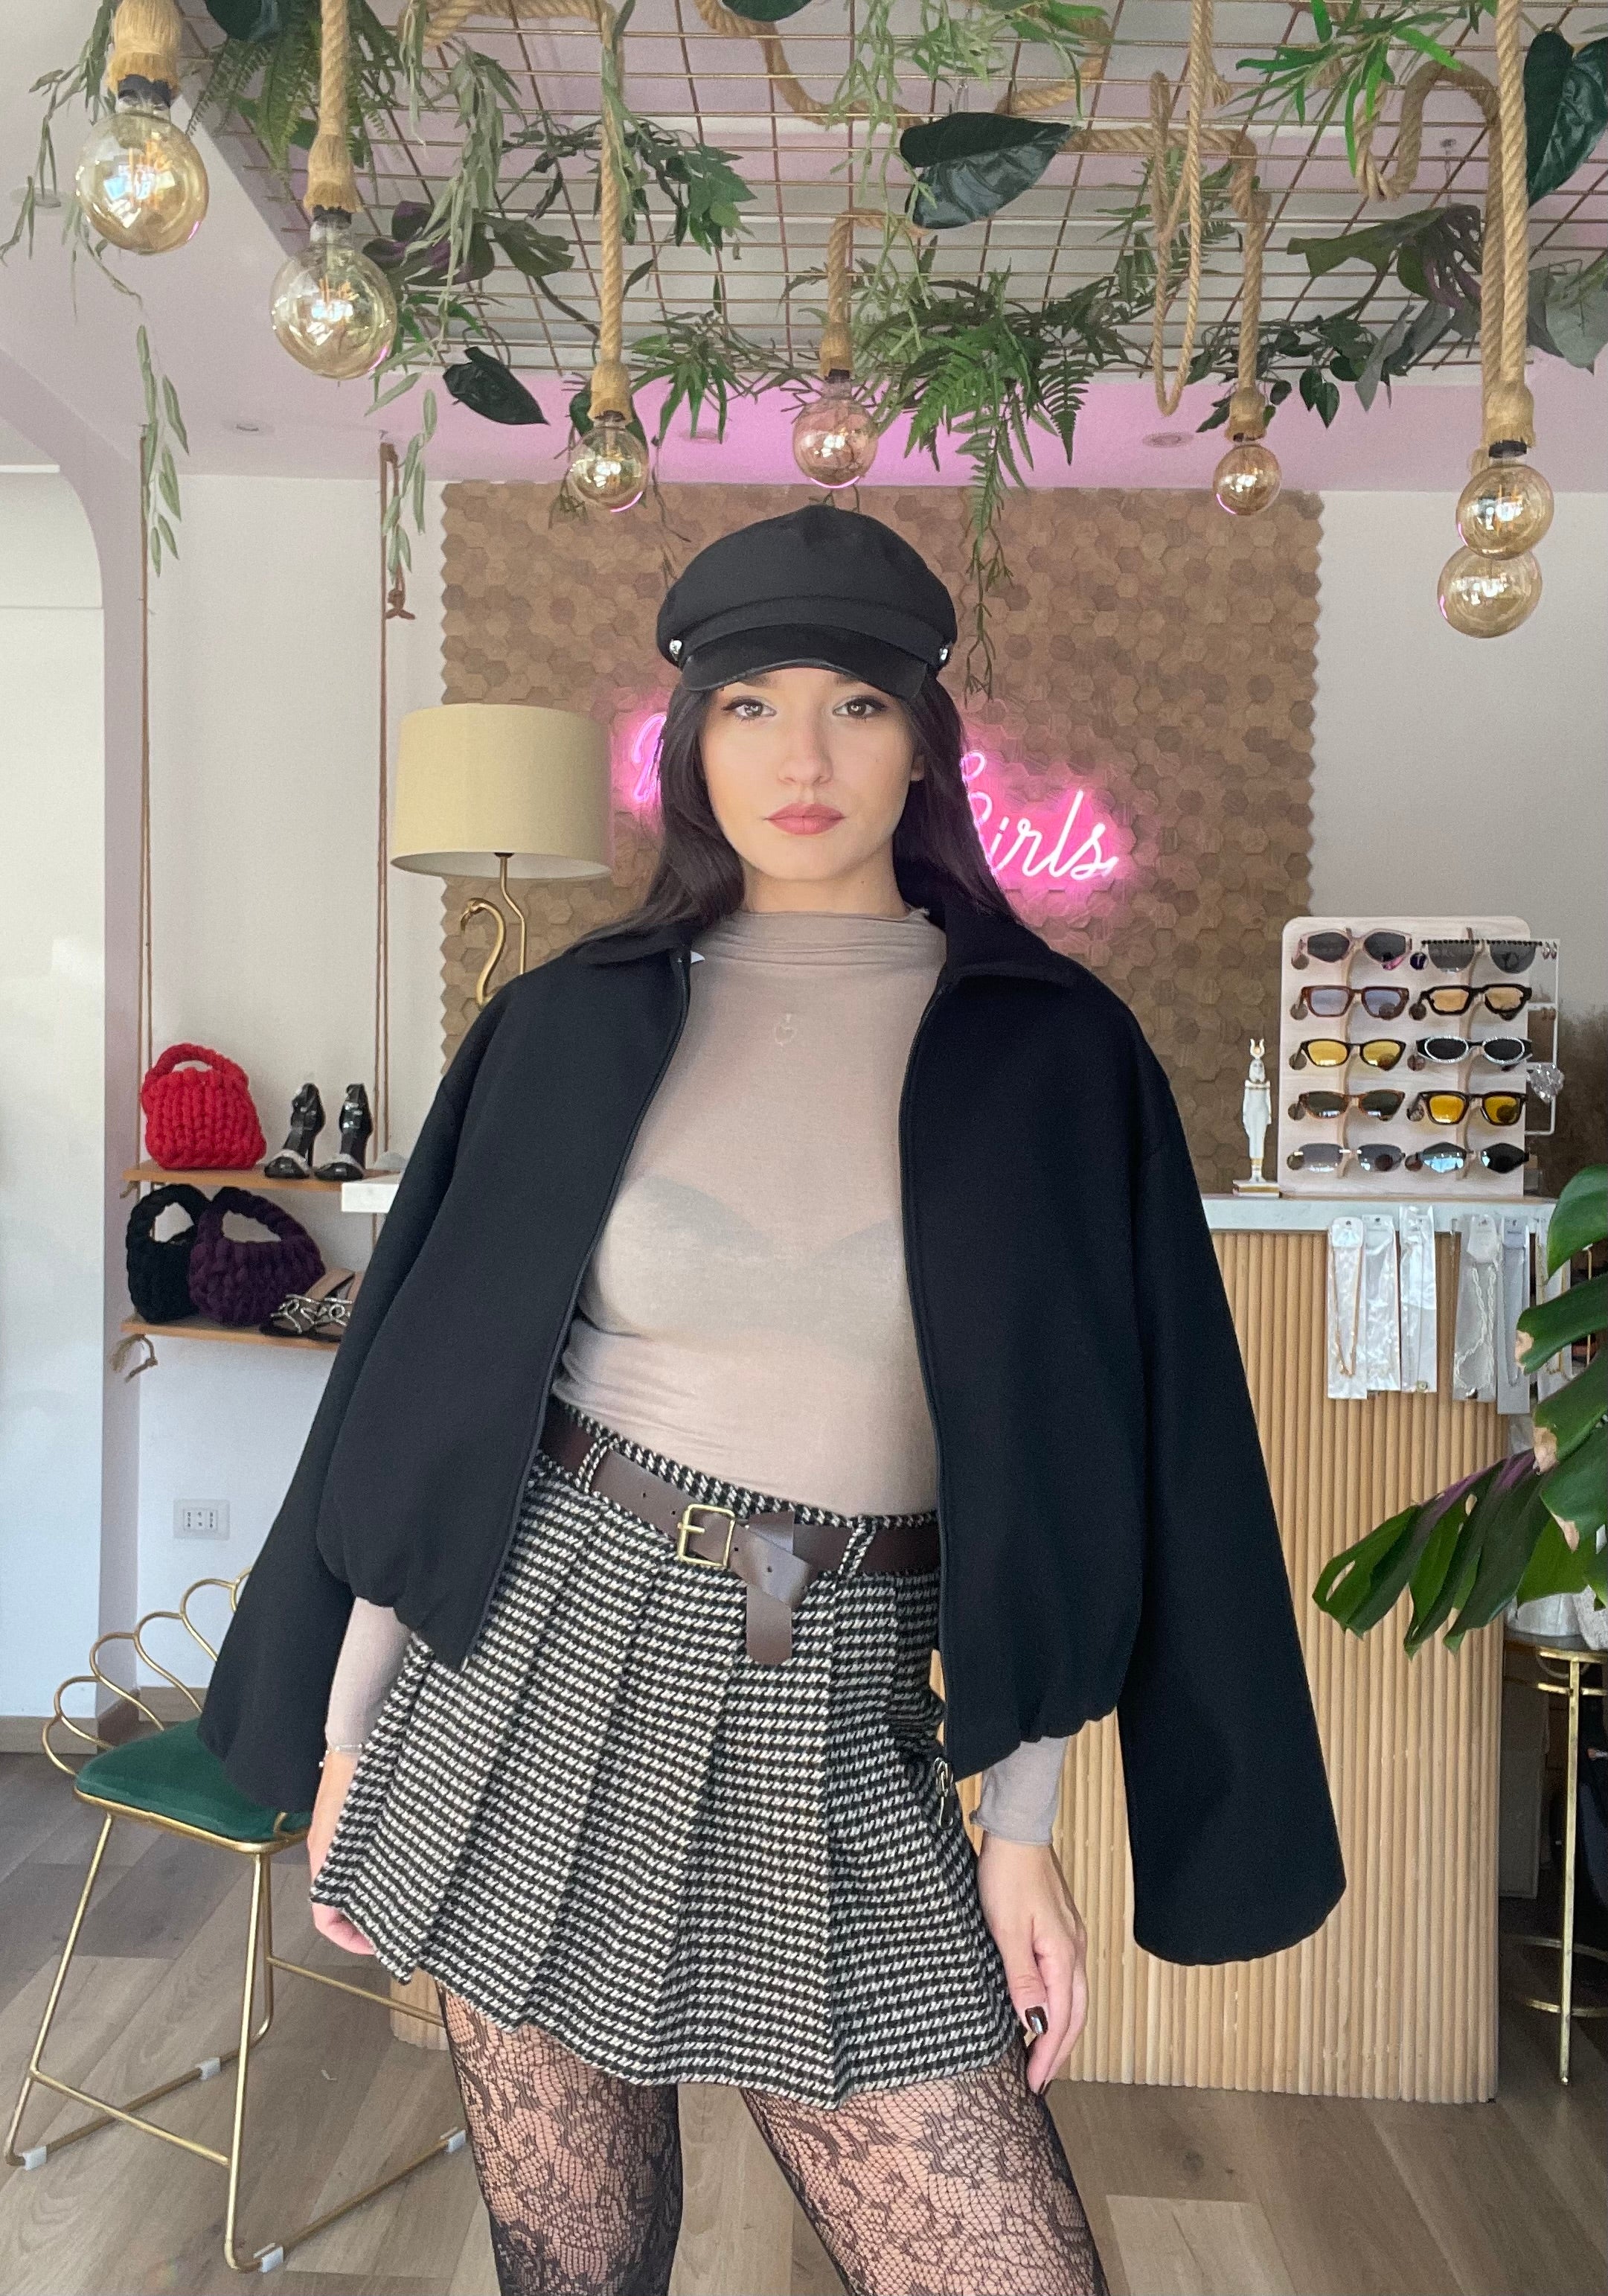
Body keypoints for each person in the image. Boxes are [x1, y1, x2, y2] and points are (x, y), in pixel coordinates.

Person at [199, 505, 1345, 2296]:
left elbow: (1085, 1472)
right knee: (577, 2260)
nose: (799, 760)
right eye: (748, 708)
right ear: (689, 743)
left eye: (853, 707)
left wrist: (1022, 1834)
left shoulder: (1053, 1051)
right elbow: (427, 1407)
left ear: (923, 742)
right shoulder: (566, 1022)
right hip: (541, 1653)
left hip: (842, 1676)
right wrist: (350, 1748)